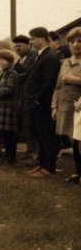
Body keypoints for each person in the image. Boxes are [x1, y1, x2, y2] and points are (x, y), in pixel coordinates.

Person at [23, 27, 62, 178]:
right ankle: (42, 164)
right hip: (36, 104)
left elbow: (48, 83)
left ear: (41, 38)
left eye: (32, 39)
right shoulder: (40, 56)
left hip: (43, 105)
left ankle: (49, 167)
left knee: (47, 136)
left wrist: (37, 100)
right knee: (40, 136)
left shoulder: (50, 57)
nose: (31, 42)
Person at [53, 27, 81, 183]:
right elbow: (57, 86)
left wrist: (75, 80)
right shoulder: (65, 63)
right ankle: (78, 172)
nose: (76, 44)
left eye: (80, 41)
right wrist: (54, 106)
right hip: (65, 107)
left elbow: (70, 81)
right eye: (73, 41)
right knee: (73, 141)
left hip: (79, 108)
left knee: (80, 141)